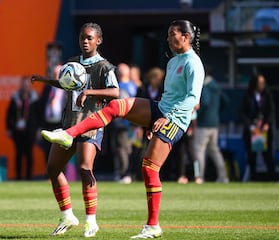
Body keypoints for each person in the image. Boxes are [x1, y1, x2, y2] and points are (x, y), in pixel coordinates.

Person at [41, 20, 204, 238]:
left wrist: (168, 119)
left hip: (176, 121)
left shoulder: (194, 63)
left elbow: (193, 99)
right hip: (161, 110)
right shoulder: (174, 61)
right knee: (117, 106)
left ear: (185, 36)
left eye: (171, 34)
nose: (167, 38)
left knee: (149, 168)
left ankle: (153, 226)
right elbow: (168, 97)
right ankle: (68, 133)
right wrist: (149, 119)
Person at [31, 22, 119, 237]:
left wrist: (89, 93)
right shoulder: (71, 62)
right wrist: (46, 80)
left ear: (98, 40)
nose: (85, 41)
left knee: (84, 168)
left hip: (91, 124)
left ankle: (91, 221)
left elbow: (115, 92)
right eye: (82, 37)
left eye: (90, 38)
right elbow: (67, 83)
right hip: (70, 124)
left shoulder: (104, 66)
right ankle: (67, 215)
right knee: (52, 168)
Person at [240, 73, 278, 181]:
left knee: (268, 155)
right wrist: (250, 126)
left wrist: (267, 123)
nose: (262, 85)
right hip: (252, 130)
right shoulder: (248, 95)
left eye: (263, 83)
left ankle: (274, 178)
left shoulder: (267, 95)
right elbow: (242, 113)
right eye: (259, 82)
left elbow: (271, 111)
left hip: (264, 130)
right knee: (252, 156)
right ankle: (253, 178)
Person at [194, 68, 229, 183]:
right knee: (214, 151)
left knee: (199, 150)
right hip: (215, 124)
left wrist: (198, 115)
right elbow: (225, 101)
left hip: (203, 124)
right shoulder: (216, 86)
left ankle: (199, 176)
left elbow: (205, 102)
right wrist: (216, 113)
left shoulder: (204, 86)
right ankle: (223, 177)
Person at [6, 76, 38, 180]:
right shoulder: (16, 97)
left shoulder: (34, 98)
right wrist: (9, 128)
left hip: (30, 130)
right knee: (18, 153)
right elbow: (9, 114)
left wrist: (38, 129)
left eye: (27, 84)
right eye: (24, 84)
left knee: (29, 153)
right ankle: (18, 176)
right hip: (18, 130)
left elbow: (38, 115)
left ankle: (29, 176)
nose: (25, 86)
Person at [36, 65, 67, 167]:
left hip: (60, 124)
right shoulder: (47, 87)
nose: (56, 75)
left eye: (58, 73)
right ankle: (49, 175)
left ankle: (61, 175)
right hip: (47, 123)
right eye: (54, 73)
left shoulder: (67, 88)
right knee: (47, 150)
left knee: (60, 151)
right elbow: (41, 106)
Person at [112, 63, 137, 183]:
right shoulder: (134, 86)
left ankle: (124, 174)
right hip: (132, 122)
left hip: (122, 122)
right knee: (126, 149)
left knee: (122, 149)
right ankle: (124, 173)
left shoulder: (117, 87)